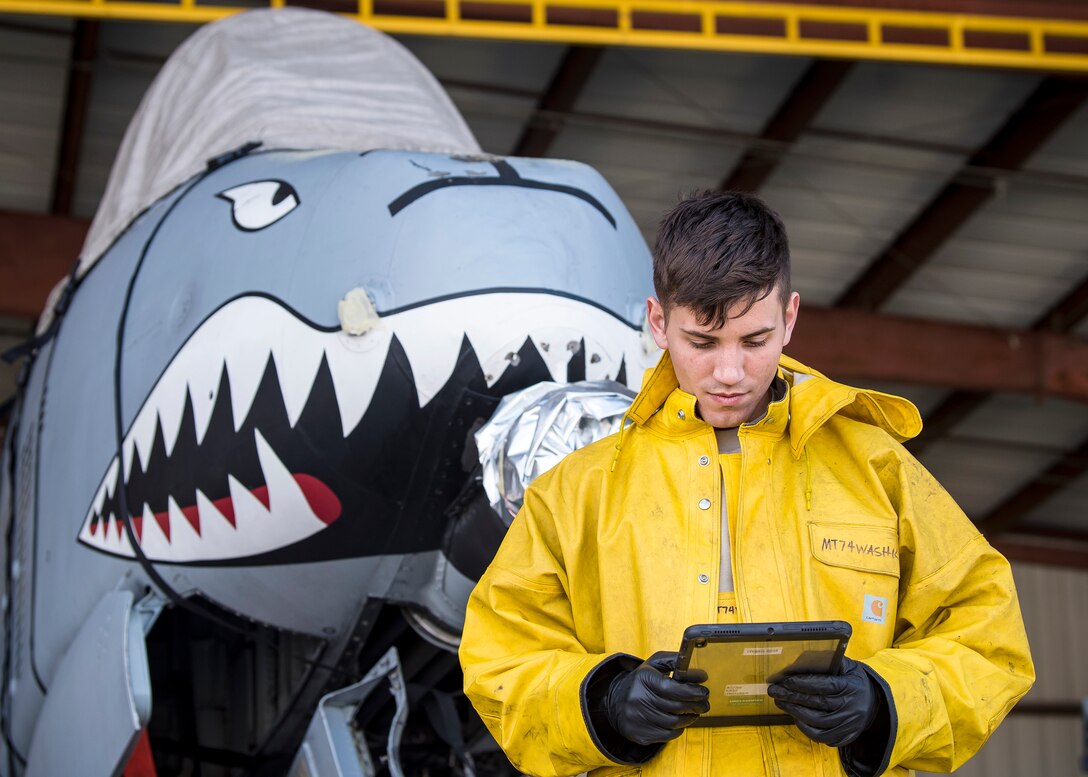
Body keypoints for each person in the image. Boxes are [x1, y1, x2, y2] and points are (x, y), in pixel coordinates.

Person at [458, 191, 1034, 777]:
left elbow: (988, 636)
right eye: (702, 343)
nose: (729, 373)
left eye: (754, 341)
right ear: (658, 322)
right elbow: (500, 659)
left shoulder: (876, 471)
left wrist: (884, 702)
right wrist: (604, 704)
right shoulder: (574, 494)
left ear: (790, 318)